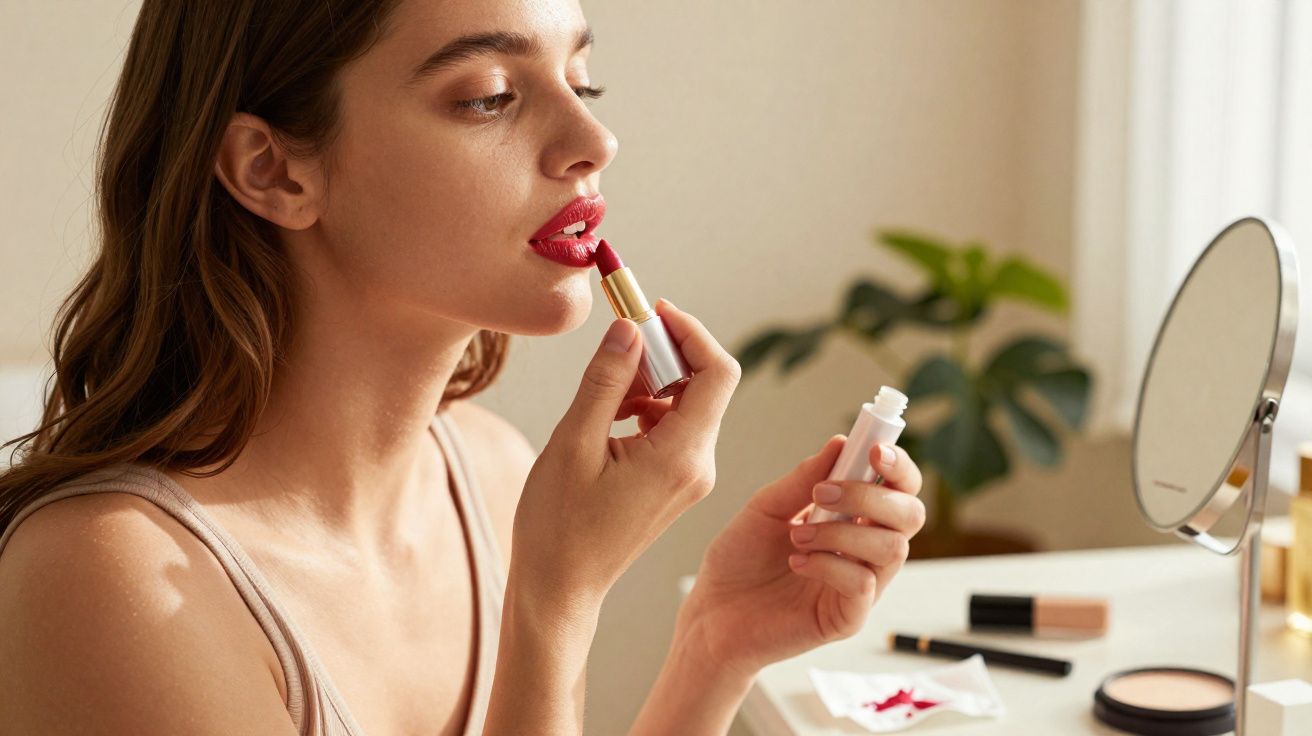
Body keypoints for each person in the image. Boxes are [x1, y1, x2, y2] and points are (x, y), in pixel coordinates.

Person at [0, 0, 926, 733]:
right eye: (489, 96)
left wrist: (715, 651)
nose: (594, 141)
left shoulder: (489, 474)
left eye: (583, 81)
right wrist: (555, 604)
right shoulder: (102, 580)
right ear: (273, 171)